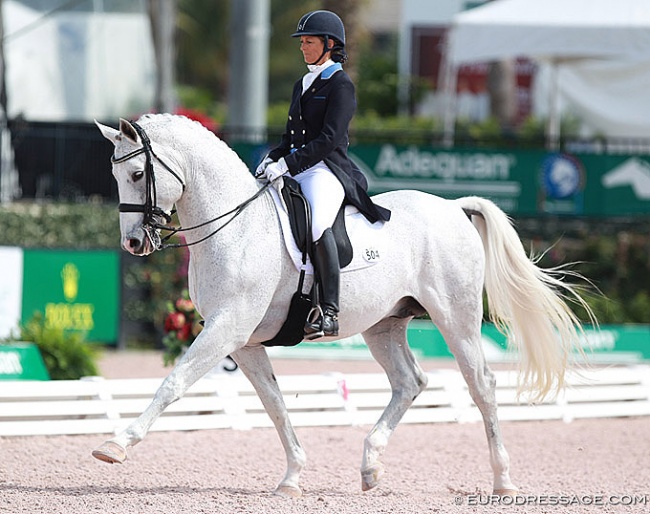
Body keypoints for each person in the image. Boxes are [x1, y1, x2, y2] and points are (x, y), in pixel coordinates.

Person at [257, 10, 391, 339]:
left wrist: (288, 165)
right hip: (297, 166)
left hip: (325, 171)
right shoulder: (302, 84)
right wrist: (272, 158)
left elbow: (329, 139)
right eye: (302, 42)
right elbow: (290, 139)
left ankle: (329, 311)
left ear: (329, 44)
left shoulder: (341, 84)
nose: (303, 48)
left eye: (309, 42)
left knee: (318, 223)